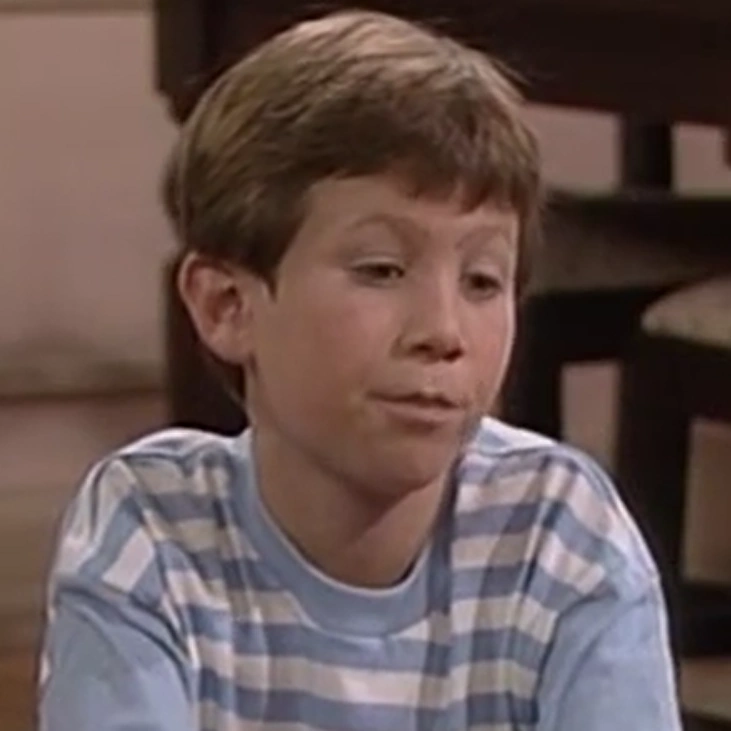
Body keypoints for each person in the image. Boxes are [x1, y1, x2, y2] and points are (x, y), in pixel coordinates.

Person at [38, 9, 681, 731]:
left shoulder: (560, 535)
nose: (443, 332)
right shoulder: (152, 533)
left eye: (481, 280)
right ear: (227, 305)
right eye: (381, 269)